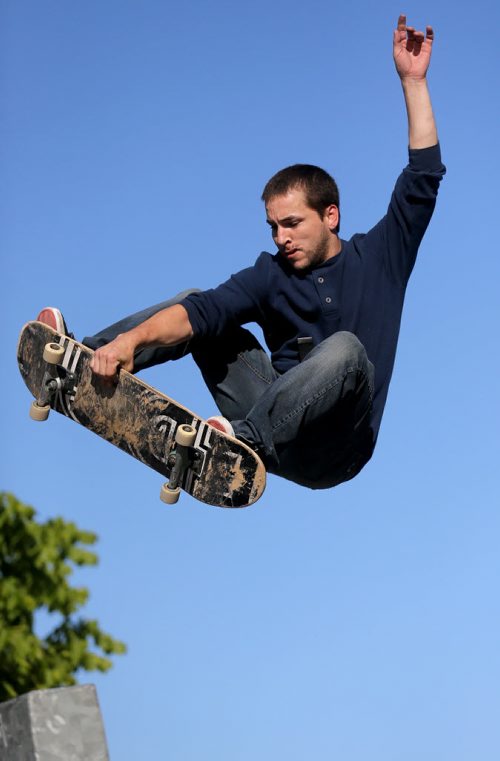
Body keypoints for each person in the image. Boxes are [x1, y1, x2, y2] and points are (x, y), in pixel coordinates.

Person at [37, 16, 445, 490]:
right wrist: (130, 342)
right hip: (275, 418)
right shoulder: (269, 274)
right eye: (273, 226)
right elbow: (200, 312)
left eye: (292, 224)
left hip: (339, 448)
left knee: (346, 350)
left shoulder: (382, 258)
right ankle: (81, 357)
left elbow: (423, 178)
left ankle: (233, 446)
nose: (281, 238)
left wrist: (413, 81)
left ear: (330, 215)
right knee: (197, 307)